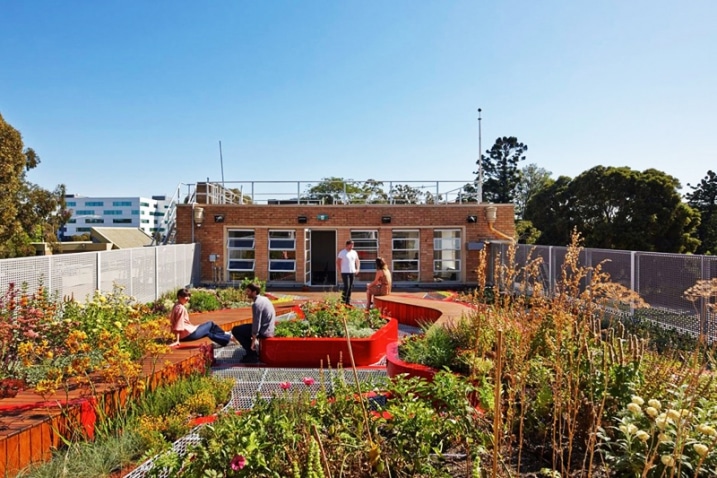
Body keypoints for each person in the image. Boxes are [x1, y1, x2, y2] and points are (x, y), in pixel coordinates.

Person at [168, 288, 235, 348]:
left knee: (209, 332)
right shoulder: (181, 308)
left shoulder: (176, 305)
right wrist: (177, 341)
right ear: (179, 297)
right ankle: (226, 335)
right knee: (210, 324)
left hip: (186, 334)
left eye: (188, 296)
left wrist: (173, 337)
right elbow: (179, 324)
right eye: (185, 296)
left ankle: (227, 339)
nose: (188, 298)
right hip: (188, 334)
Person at [231, 283, 276, 364]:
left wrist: (253, 341)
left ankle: (252, 355)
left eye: (248, 291)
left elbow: (256, 323)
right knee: (242, 329)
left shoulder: (257, 304)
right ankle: (251, 353)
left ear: (254, 292)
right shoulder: (264, 299)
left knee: (235, 330)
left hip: (264, 331)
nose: (246, 293)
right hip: (269, 328)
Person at [336, 239, 360, 305]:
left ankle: (348, 302)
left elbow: (357, 260)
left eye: (353, 244)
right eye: (351, 244)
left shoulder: (354, 252)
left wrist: (357, 269)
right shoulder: (342, 252)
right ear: (347, 245)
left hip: (352, 272)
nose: (352, 246)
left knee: (351, 286)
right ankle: (343, 301)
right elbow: (338, 262)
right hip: (345, 272)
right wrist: (340, 270)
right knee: (346, 286)